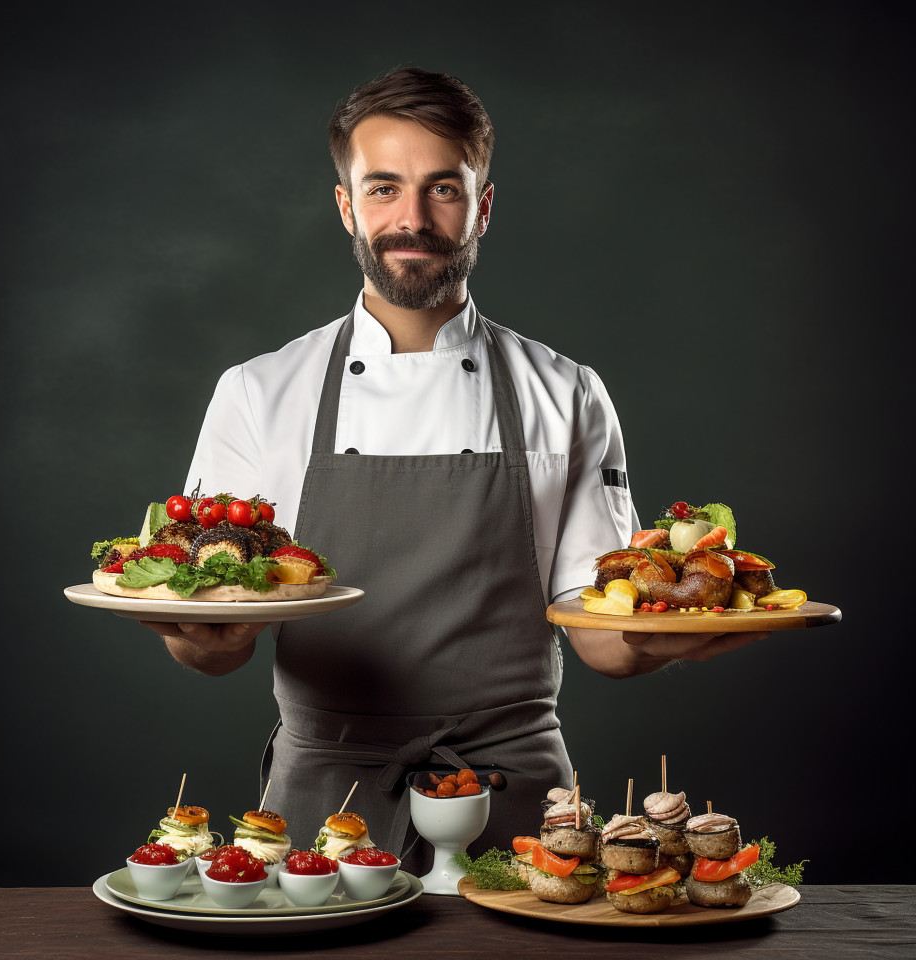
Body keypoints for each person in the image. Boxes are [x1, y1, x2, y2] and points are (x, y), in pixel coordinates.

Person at [141, 66, 766, 871]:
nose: (411, 219)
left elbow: (601, 636)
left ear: (484, 205)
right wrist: (186, 630)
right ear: (345, 208)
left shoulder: (567, 392)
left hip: (517, 791)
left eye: (443, 188)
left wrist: (680, 635)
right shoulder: (258, 393)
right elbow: (222, 645)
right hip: (326, 795)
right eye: (383, 189)